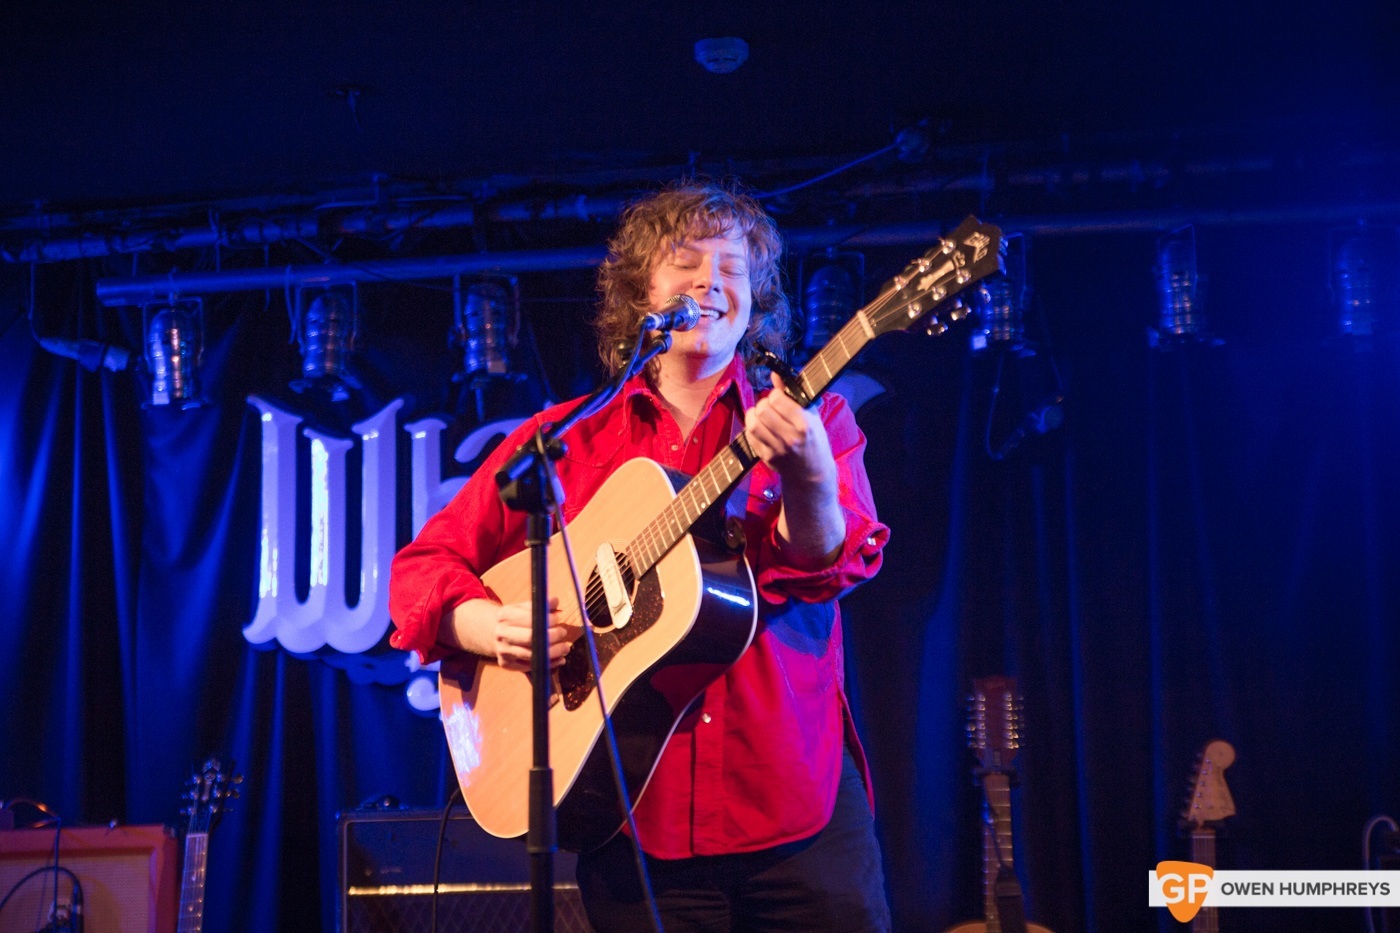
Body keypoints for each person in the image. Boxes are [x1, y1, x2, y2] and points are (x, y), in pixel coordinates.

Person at [388, 181, 891, 931]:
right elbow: (419, 569)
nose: (709, 282)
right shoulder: (565, 439)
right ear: (640, 294)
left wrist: (810, 475)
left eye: (731, 267)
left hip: (792, 801)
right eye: (685, 262)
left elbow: (823, 568)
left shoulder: (817, 420)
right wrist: (488, 627)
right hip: (631, 815)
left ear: (755, 298)